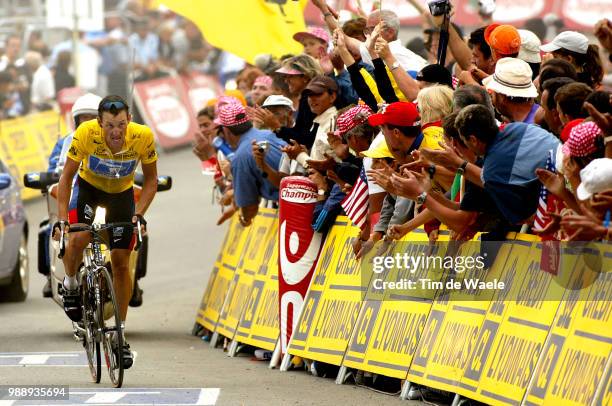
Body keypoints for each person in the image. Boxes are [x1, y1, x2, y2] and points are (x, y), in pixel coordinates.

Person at [53, 95, 159, 369]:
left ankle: (120, 334)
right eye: (110, 125)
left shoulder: (142, 136)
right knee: (78, 237)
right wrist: (63, 218)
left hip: (121, 195)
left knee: (122, 263)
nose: (116, 131)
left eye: (121, 124)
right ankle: (72, 284)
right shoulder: (85, 133)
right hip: (88, 190)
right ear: (99, 123)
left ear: (130, 121)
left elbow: (150, 181)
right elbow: (66, 178)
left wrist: (139, 213)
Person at [39, 93, 102, 298]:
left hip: (103, 195)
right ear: (76, 121)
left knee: (134, 228)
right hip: (74, 194)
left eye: (92, 117)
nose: (88, 122)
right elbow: (55, 170)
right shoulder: (65, 143)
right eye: (84, 118)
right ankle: (54, 276)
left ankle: (133, 279)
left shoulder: (112, 139)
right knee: (53, 227)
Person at [215, 102, 286, 226]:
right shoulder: (269, 134)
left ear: (225, 130)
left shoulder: (240, 158)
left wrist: (244, 219)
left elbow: (250, 207)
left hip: (288, 208)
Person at [483, 58, 539, 123]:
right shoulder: (541, 113)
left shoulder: (520, 131)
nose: (491, 98)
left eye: (492, 93)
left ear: (503, 97)